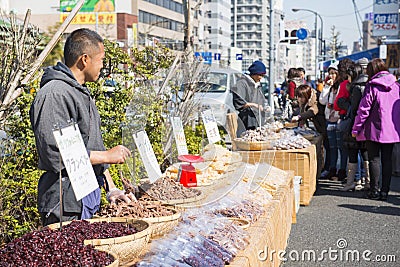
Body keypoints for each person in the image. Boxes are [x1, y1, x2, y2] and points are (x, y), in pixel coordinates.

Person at [30, 28, 133, 226]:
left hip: (86, 198)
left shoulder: (80, 92)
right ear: (85, 59)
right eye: (101, 59)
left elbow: (90, 146)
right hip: (65, 206)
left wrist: (111, 188)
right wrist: (107, 156)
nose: (103, 66)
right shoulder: (54, 94)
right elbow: (55, 153)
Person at [352, 58, 400, 201]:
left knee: (374, 159)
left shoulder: (372, 86)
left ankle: (374, 190)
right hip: (392, 130)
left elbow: (363, 110)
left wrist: (356, 129)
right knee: (387, 160)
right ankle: (385, 191)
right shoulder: (396, 86)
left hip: (374, 129)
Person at [339, 63, 370, 191]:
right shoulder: (367, 84)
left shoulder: (356, 87)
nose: (348, 78)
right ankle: (368, 182)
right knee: (366, 153)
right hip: (367, 125)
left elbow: (355, 109)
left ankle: (351, 182)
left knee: (353, 153)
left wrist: (344, 104)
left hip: (356, 124)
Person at [333, 58, 354, 181]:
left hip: (345, 118)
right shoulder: (355, 83)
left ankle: (348, 175)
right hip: (355, 118)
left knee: (346, 148)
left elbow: (336, 105)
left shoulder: (344, 84)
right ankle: (359, 177)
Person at [319, 62, 341, 180]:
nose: (331, 76)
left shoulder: (341, 86)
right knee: (332, 147)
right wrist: (326, 87)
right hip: (329, 119)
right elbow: (322, 101)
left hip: (338, 120)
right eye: (330, 73)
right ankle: (332, 169)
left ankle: (340, 170)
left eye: (334, 73)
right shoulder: (329, 87)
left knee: (340, 147)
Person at [232, 60, 267, 133]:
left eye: (262, 75)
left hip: (257, 118)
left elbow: (261, 100)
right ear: (254, 74)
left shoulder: (257, 84)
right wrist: (254, 105)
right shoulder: (241, 83)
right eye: (260, 75)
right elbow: (239, 103)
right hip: (246, 119)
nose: (261, 78)